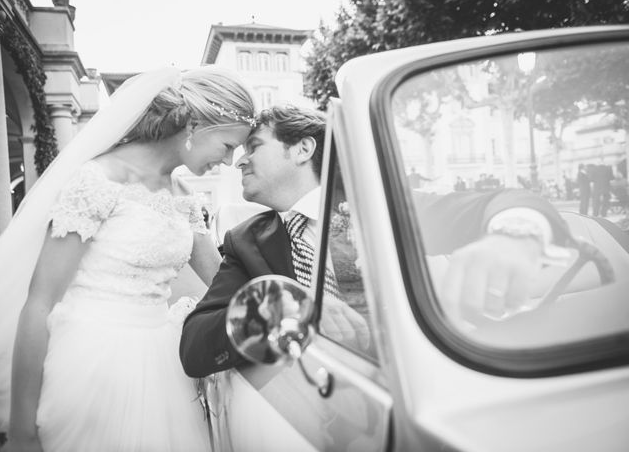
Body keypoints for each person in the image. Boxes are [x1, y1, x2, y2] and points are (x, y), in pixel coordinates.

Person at [179, 105, 569, 378]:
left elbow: (504, 202)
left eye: (255, 147)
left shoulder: (379, 206)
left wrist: (514, 237)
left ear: (302, 148)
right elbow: (195, 347)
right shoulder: (245, 240)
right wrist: (281, 305)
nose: (240, 162)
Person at [0, 66, 256, 451]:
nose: (230, 161)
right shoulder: (98, 179)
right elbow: (39, 303)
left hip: (162, 364)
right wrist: (21, 431)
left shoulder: (182, 193)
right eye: (228, 146)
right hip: (91, 364)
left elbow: (220, 277)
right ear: (195, 125)